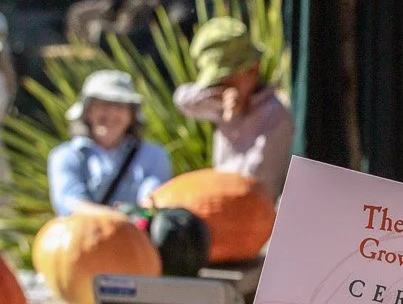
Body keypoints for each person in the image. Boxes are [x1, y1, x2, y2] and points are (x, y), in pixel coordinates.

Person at [173, 17, 295, 204]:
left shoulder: (277, 114)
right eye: (217, 81)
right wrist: (218, 97)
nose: (223, 85)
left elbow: (259, 184)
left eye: (226, 78)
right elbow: (183, 100)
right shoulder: (219, 104)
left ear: (253, 69)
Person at [47, 69, 172, 216]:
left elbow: (154, 198)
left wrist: (142, 212)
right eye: (103, 104)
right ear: (87, 111)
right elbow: (69, 203)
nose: (111, 114)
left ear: (132, 114)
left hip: (138, 236)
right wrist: (117, 218)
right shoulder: (65, 156)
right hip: (85, 236)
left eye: (119, 106)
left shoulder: (154, 154)